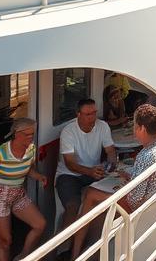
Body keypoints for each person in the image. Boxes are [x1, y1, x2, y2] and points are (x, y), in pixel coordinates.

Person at [69, 104, 156, 259]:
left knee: (90, 193)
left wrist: (122, 187)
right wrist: (129, 174)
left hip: (141, 206)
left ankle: (76, 254)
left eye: (135, 126)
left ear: (142, 129)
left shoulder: (146, 156)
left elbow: (133, 200)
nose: (134, 131)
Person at [0, 118, 47, 261]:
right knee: (5, 241)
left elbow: (26, 169)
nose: (31, 138)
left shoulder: (31, 149)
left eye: (32, 134)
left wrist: (39, 176)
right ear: (17, 134)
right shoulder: (0, 153)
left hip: (18, 194)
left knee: (40, 224)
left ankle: (24, 256)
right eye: (27, 135)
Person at [56, 98, 118, 230]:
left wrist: (111, 164)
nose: (93, 117)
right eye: (88, 114)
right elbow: (70, 163)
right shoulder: (68, 131)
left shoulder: (103, 126)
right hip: (69, 175)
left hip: (93, 172)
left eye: (94, 113)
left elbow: (110, 150)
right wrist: (90, 171)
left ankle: (92, 237)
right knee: (72, 205)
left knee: (114, 193)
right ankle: (62, 246)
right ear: (78, 114)